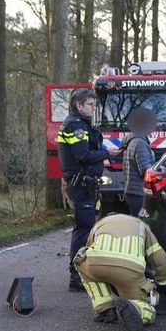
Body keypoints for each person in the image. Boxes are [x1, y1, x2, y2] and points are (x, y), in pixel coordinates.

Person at [58, 89, 121, 291]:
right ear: (79, 105)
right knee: (83, 229)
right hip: (80, 184)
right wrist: (106, 153)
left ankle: (83, 273)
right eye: (90, 105)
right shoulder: (74, 125)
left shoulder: (80, 124)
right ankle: (76, 277)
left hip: (87, 184)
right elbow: (82, 155)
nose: (94, 108)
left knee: (86, 228)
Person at [73, 213, 166, 331]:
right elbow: (159, 259)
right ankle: (138, 309)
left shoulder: (99, 224)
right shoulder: (143, 226)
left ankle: (105, 308)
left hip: (97, 263)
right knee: (145, 303)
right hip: (129, 269)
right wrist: (164, 283)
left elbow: (88, 249)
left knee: (80, 261)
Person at [122, 108, 157, 217]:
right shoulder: (140, 143)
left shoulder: (131, 141)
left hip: (132, 191)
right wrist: (159, 171)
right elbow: (145, 169)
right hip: (139, 192)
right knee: (140, 224)